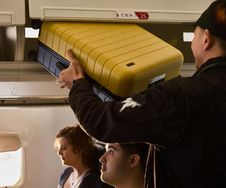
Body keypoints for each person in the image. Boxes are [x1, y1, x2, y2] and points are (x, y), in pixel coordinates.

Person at [57, 1, 226, 187]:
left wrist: (77, 84)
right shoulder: (183, 93)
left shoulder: (180, 96)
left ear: (206, 39)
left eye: (195, 34)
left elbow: (99, 121)